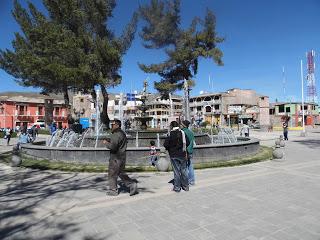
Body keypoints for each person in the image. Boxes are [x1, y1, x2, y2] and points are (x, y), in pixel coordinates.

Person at [104, 119, 138, 196]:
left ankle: (113, 190)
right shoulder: (122, 133)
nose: (111, 126)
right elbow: (120, 142)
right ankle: (132, 184)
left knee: (112, 174)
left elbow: (113, 146)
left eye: (113, 125)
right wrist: (110, 140)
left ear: (117, 125)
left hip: (116, 157)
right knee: (121, 173)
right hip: (122, 156)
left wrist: (106, 143)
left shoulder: (116, 134)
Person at [164, 121, 190, 192]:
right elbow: (188, 142)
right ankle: (186, 187)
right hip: (183, 154)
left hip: (173, 155)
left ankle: (177, 188)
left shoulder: (170, 134)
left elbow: (165, 145)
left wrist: (170, 148)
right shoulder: (183, 133)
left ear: (171, 126)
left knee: (176, 172)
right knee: (184, 171)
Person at [181, 120, 195, 186]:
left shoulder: (183, 132)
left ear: (184, 125)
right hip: (191, 151)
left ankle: (186, 181)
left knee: (184, 167)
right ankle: (192, 180)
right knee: (190, 166)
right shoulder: (191, 132)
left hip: (185, 151)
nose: (180, 125)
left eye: (181, 124)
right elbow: (193, 142)